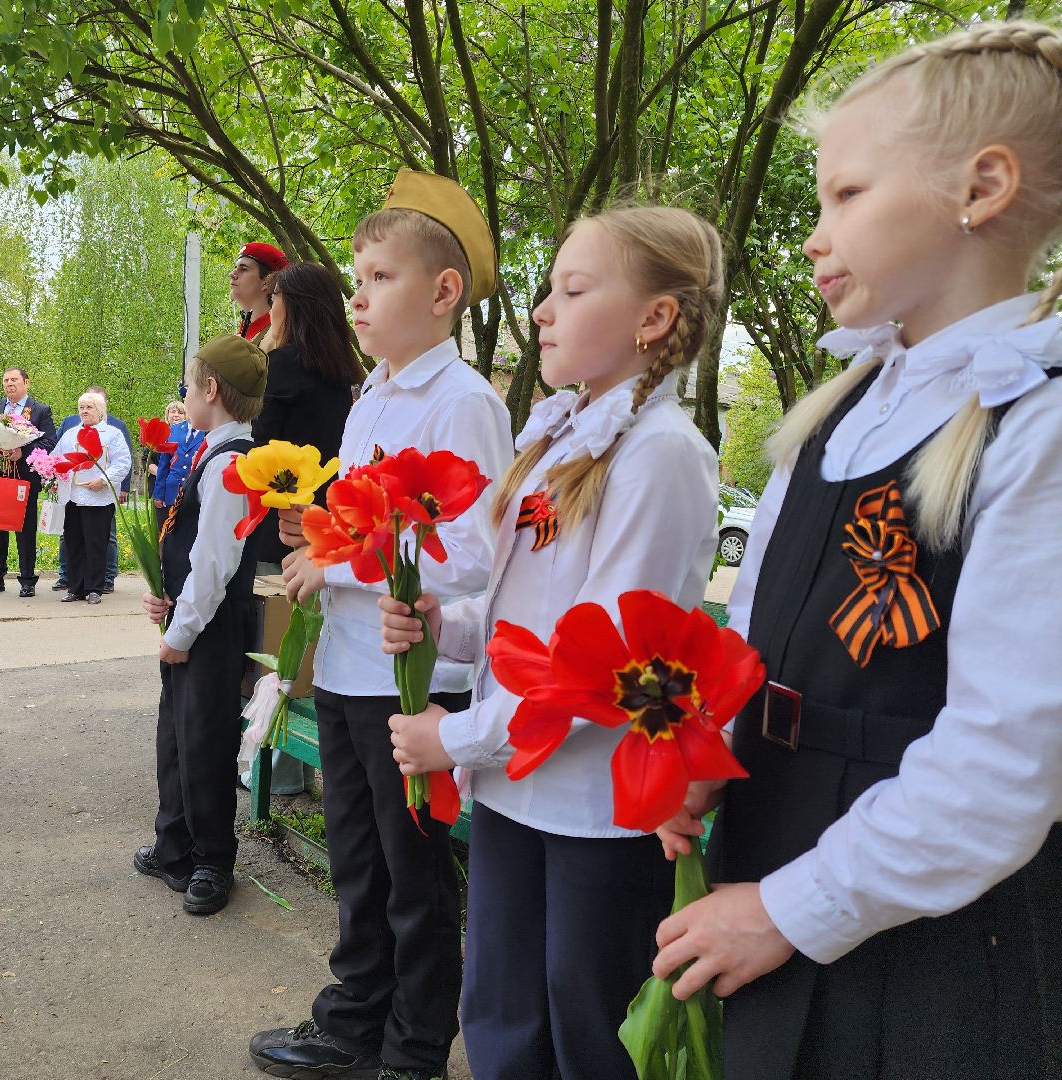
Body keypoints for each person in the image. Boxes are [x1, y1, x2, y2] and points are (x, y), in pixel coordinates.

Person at [652, 22, 1062, 1080]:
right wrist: (706, 758)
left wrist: (792, 910)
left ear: (980, 187)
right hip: (772, 843)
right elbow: (758, 639)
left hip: (927, 933)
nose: (814, 233)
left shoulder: (1046, 420)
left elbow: (1009, 759)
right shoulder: (839, 412)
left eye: (845, 196)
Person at [377, 207, 724, 1079]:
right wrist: (443, 625)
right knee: (500, 1011)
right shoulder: (562, 439)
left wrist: (449, 736)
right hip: (514, 790)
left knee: (584, 1026)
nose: (541, 310)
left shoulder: (659, 455)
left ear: (654, 320)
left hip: (592, 812)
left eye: (572, 290)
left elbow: (605, 668)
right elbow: (529, 617)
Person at [250, 170, 514, 1080]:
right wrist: (315, 538)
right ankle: (352, 1017)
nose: (357, 297)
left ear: (444, 293)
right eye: (355, 279)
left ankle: (413, 1048)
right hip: (353, 668)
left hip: (413, 680)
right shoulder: (371, 399)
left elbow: (476, 554)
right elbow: (368, 527)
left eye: (378, 278)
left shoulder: (465, 402)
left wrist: (343, 563)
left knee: (415, 879)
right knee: (359, 863)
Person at [135, 334, 268, 917]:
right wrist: (172, 604)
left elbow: (215, 562)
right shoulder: (211, 450)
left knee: (206, 738)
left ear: (210, 390)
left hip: (211, 625)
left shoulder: (232, 463)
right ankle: (176, 842)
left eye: (189, 386)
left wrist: (181, 631)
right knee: (177, 734)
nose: (185, 396)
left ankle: (213, 856)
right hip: (194, 616)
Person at [249, 260, 363, 572]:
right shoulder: (342, 376)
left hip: (279, 524)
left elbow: (257, 445)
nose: (271, 311)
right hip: (325, 521)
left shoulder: (281, 364)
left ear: (294, 305)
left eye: (275, 300)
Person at [0, 368, 56, 598]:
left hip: (24, 478)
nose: (9, 384)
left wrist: (23, 450)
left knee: (25, 530)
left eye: (14, 380)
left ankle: (27, 580)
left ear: (26, 383)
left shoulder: (39, 410)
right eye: (6, 381)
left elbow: (49, 441)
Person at [52, 385, 134, 594]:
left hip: (99, 498)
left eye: (89, 407)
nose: (84, 411)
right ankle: (75, 587)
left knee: (96, 544)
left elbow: (123, 462)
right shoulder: (71, 434)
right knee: (73, 542)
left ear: (100, 410)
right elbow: (57, 456)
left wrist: (104, 480)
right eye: (81, 407)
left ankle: (94, 588)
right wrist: (53, 475)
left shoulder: (112, 434)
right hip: (73, 496)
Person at [151, 399, 198, 531]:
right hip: (172, 492)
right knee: (167, 536)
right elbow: (164, 465)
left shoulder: (208, 431)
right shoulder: (173, 430)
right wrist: (159, 494)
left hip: (194, 493)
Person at [231, 241, 289, 344]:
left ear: (266, 282)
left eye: (244, 269)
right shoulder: (243, 334)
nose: (232, 274)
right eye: (235, 268)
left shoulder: (278, 339)